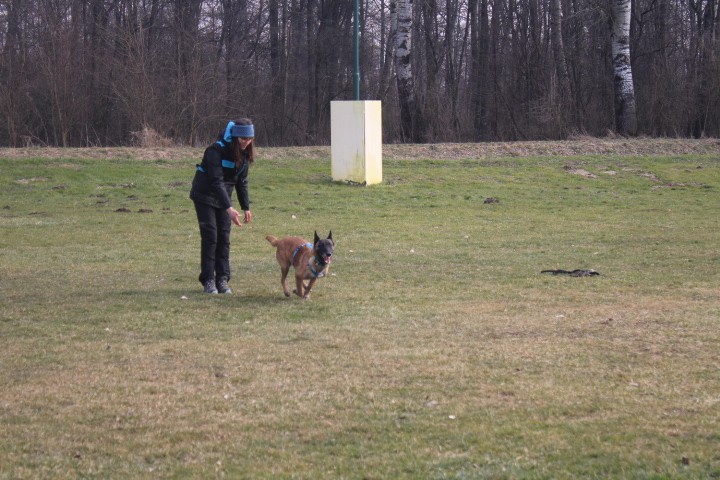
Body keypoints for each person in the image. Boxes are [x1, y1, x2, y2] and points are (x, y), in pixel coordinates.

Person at [190, 118, 255, 294]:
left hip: (224, 198)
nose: (246, 142)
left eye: (249, 139)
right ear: (234, 137)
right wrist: (229, 208)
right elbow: (216, 182)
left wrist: (245, 207)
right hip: (204, 195)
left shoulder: (245, 155)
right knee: (211, 236)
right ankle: (208, 280)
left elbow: (242, 182)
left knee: (224, 238)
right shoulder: (214, 151)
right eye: (242, 139)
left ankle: (222, 279)